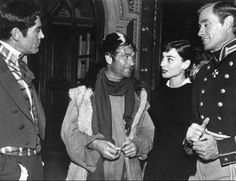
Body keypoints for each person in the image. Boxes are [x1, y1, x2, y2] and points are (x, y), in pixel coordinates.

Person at [61, 32, 155, 180]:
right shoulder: (84, 94)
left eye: (133, 57)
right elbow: (69, 134)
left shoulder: (138, 96)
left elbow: (147, 131)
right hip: (91, 173)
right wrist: (95, 144)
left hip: (127, 173)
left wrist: (137, 145)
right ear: (108, 58)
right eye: (125, 57)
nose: (131, 63)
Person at [185, 1, 236, 180]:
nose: (200, 32)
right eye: (199, 26)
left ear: (228, 22)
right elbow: (196, 119)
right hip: (200, 165)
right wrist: (189, 138)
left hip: (230, 164)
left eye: (206, 24)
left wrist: (223, 149)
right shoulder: (204, 71)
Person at [0, 0, 45, 180]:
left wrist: (35, 161)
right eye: (37, 30)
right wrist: (12, 171)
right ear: (17, 34)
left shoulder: (19, 64)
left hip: (30, 163)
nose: (42, 35)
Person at [144, 40, 197, 180]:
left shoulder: (196, 95)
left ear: (185, 64)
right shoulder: (156, 95)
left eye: (170, 59)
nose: (162, 64)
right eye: (163, 58)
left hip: (185, 170)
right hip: (155, 169)